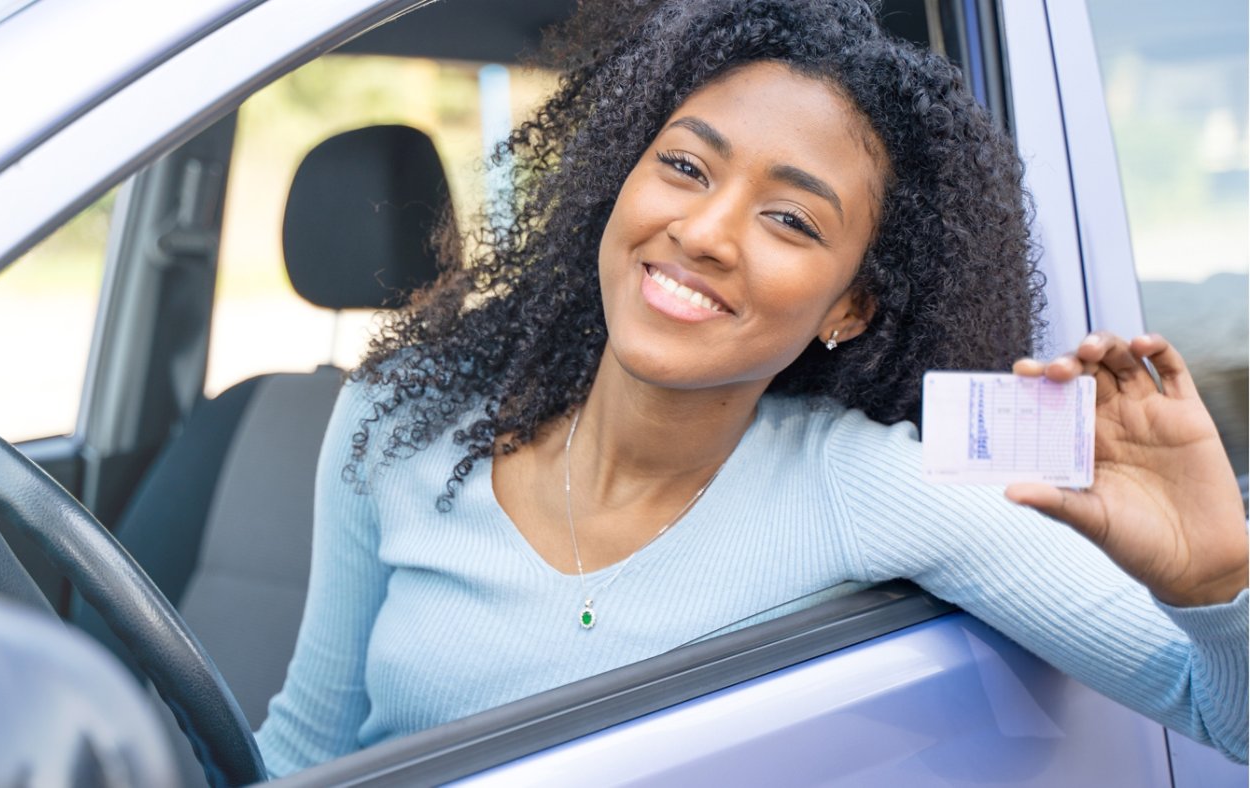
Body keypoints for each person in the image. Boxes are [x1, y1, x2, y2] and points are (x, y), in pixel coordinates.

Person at [255, 0, 1248, 775]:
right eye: (685, 166)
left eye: (791, 221)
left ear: (847, 306)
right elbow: (306, 753)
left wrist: (1212, 581)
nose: (703, 232)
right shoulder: (405, 412)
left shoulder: (864, 484)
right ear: (620, 179)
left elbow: (1220, 715)